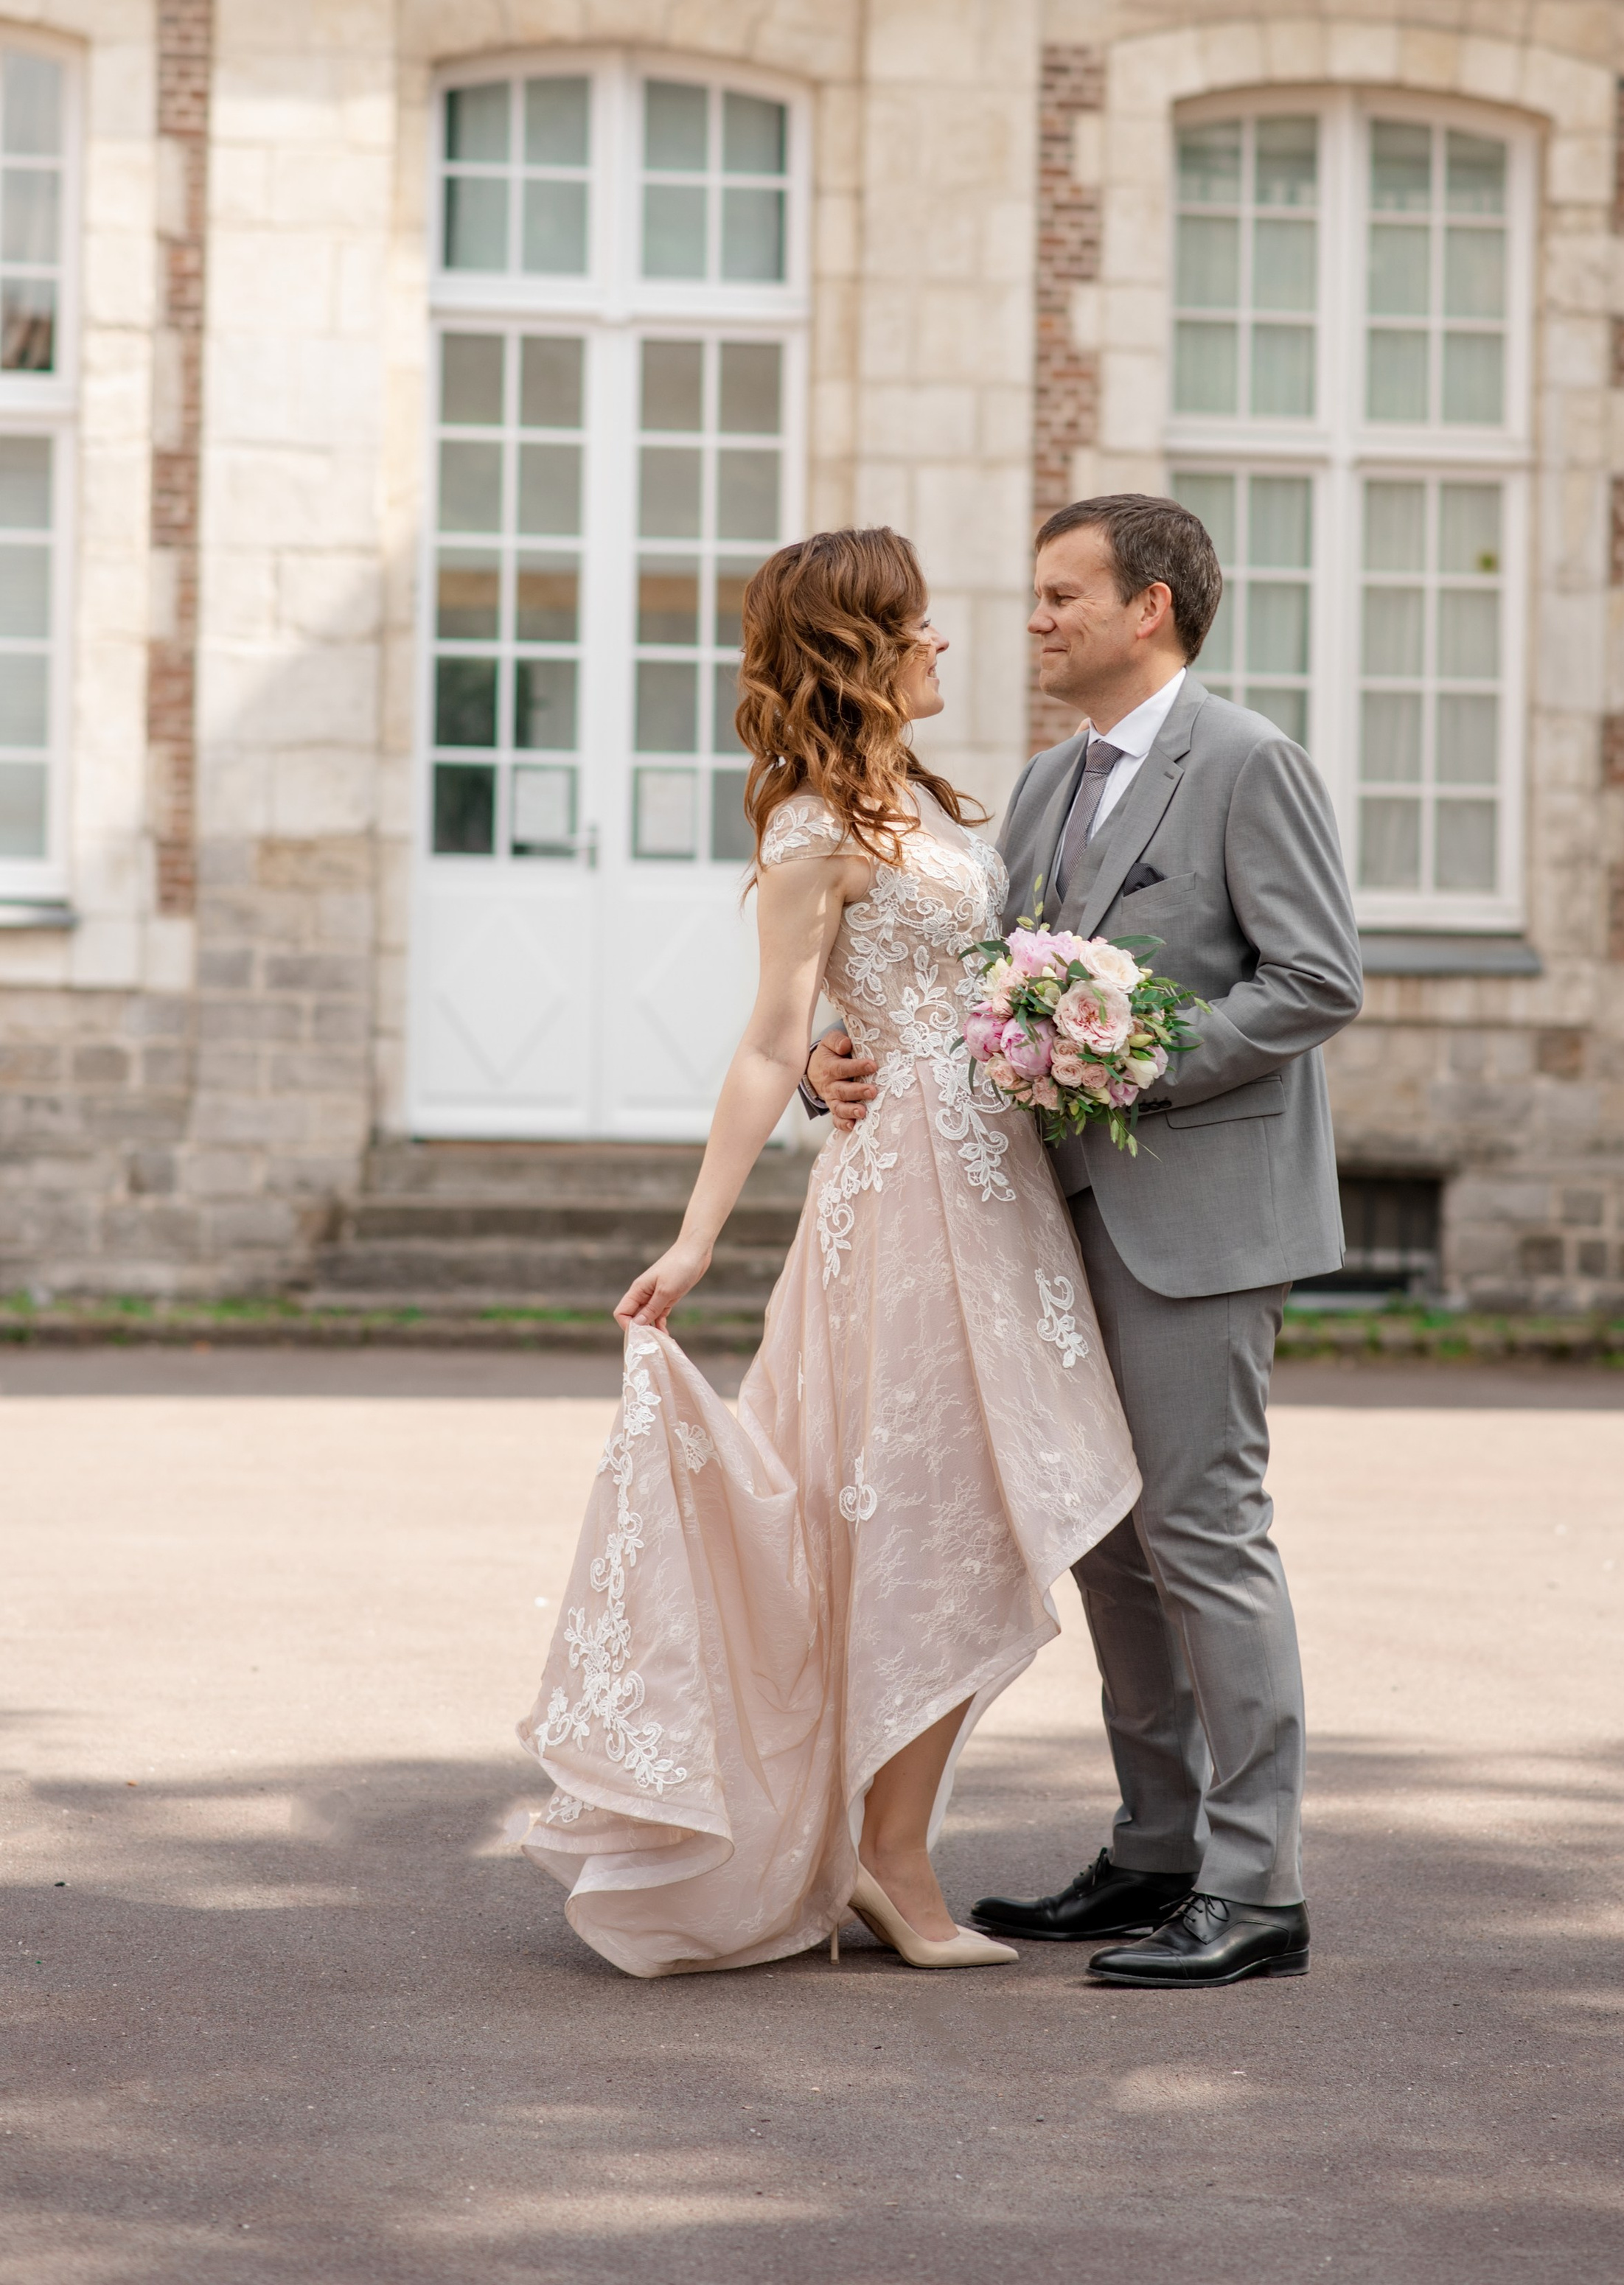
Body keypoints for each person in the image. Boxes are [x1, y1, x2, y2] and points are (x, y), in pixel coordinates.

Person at [515, 526, 1140, 1979]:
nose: (942, 643)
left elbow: (936, 987)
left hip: (993, 1180)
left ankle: (887, 1837)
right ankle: (888, 1854)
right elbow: (768, 1039)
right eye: (915, 626)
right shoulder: (810, 828)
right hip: (904, 1199)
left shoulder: (917, 797)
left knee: (974, 1501)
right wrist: (693, 1237)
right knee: (926, 1506)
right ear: (857, 652)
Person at [806, 494, 1362, 1986]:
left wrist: (1135, 1059)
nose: (1034, 618)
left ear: (1151, 610)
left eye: (1062, 594)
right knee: (1109, 1543)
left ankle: (1255, 1891)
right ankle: (1155, 1850)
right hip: (1046, 1217)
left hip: (1201, 1220)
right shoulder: (1047, 782)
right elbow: (972, 981)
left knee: (1202, 1536)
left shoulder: (1248, 762)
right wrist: (829, 1060)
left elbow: (1314, 978)